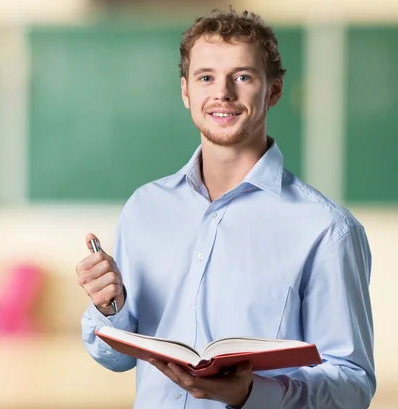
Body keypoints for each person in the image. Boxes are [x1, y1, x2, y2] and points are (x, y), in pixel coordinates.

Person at [75, 7, 375, 409]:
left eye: (243, 77)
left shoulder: (326, 230)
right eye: (206, 78)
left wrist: (252, 394)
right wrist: (110, 308)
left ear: (273, 90)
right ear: (186, 91)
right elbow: (117, 358)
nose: (223, 93)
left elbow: (352, 387)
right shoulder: (145, 209)